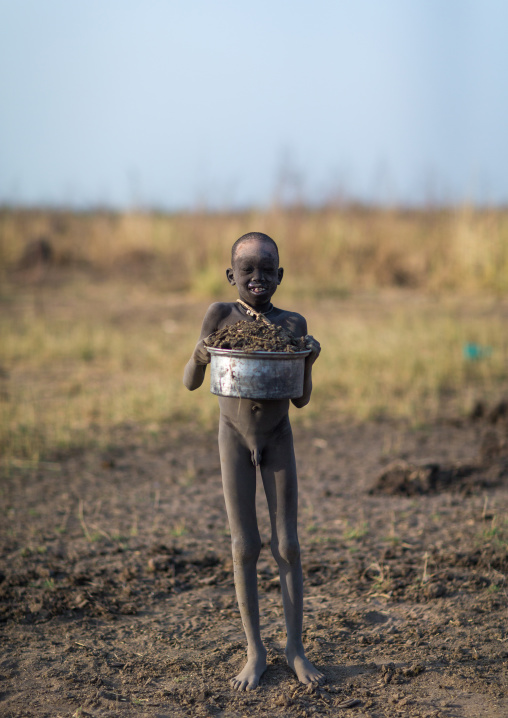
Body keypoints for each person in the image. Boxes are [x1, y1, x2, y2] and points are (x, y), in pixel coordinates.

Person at [183, 232, 323, 691]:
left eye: (267, 271)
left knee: (289, 545)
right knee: (244, 546)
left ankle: (295, 649)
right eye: (248, 271)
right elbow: (189, 381)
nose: (258, 278)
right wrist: (200, 355)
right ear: (231, 277)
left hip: (278, 437)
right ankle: (255, 651)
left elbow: (299, 400)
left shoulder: (292, 323)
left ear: (280, 276)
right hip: (233, 439)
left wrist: (309, 360)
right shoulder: (219, 316)